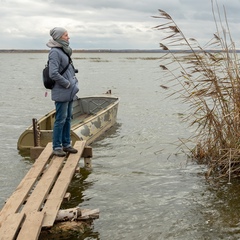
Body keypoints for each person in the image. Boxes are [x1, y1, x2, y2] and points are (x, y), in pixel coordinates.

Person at [46, 27, 79, 157]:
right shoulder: (55, 52)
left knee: (68, 118)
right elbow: (53, 73)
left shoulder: (63, 50)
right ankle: (57, 146)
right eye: (66, 35)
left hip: (70, 91)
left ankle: (66, 144)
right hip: (62, 90)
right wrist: (66, 83)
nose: (68, 37)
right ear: (59, 37)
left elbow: (65, 69)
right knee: (60, 119)